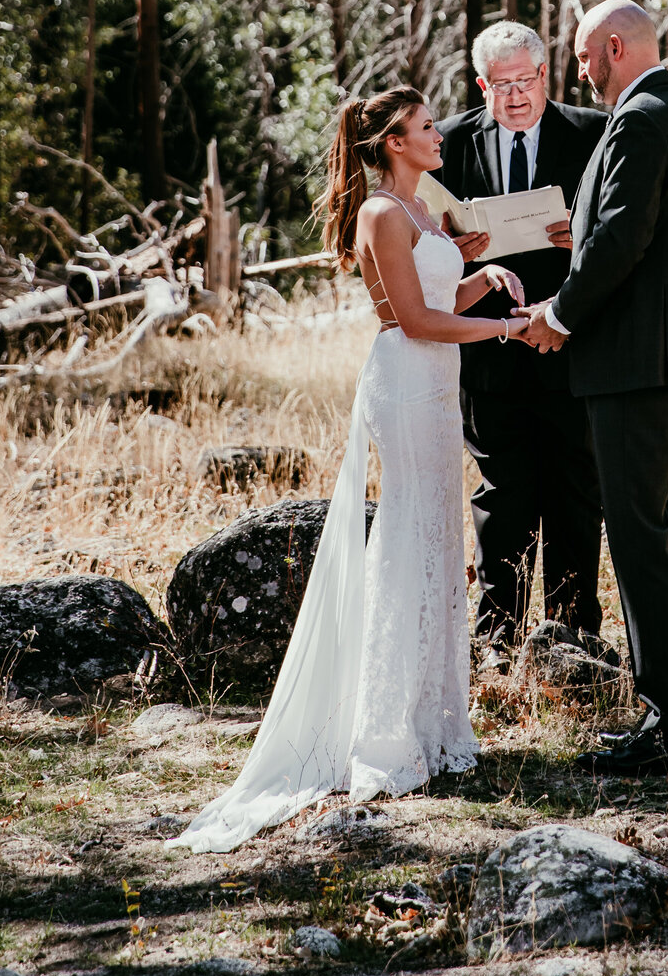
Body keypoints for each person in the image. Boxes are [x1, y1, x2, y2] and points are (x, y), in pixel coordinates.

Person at [173, 88, 529, 853]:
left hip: (438, 381)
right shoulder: (380, 214)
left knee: (437, 539)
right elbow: (408, 321)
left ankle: (433, 727)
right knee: (406, 538)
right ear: (395, 142)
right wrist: (505, 330)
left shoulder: (425, 212)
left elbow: (441, 300)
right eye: (428, 127)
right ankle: (384, 735)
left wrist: (486, 278)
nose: (440, 135)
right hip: (405, 383)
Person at [523, 0, 668, 776]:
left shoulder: (642, 119)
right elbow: (619, 229)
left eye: (583, 57)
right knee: (652, 535)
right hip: (663, 357)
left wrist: (559, 314)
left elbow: (622, 239)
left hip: (636, 362)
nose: (580, 71)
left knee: (642, 539)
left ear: (614, 47)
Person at [434, 21, 608, 668]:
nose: (514, 95)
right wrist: (457, 252)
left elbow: (622, 232)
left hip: (568, 344)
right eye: (499, 84)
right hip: (487, 351)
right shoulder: (448, 143)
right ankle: (497, 642)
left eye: (525, 81)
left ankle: (572, 640)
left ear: (546, 75)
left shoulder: (592, 134)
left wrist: (582, 236)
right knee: (501, 500)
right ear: (482, 84)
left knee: (574, 493)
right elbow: (424, 248)